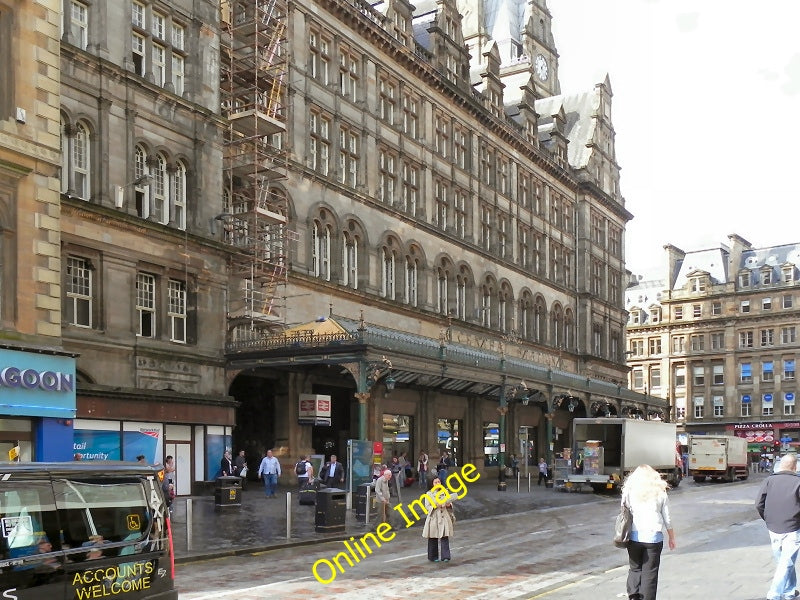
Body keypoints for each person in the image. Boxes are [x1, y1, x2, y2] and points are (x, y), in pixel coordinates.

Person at [621, 464, 676, 600]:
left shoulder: (629, 491)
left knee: (635, 568)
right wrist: (671, 537)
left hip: (633, 537)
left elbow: (624, 511)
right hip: (653, 538)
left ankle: (634, 595)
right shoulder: (660, 492)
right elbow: (667, 518)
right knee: (650, 573)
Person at [755, 453, 800, 600]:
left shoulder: (769, 481)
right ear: (795, 467)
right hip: (793, 527)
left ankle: (789, 591)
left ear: (781, 466)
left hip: (773, 528)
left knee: (784, 562)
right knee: (786, 563)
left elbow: (758, 504)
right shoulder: (798, 482)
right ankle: (774, 595)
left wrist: (768, 519)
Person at [421, 477, 457, 562]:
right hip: (434, 518)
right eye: (435, 482)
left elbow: (450, 504)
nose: (438, 484)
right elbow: (427, 507)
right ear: (432, 484)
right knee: (433, 537)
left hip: (444, 516)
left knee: (444, 536)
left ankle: (446, 556)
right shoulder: (428, 494)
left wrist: (448, 505)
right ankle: (433, 556)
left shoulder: (445, 492)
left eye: (439, 482)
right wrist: (436, 505)